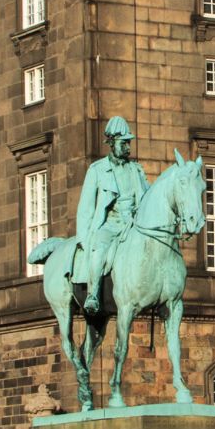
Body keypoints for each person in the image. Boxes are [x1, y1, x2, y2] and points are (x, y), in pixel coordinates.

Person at [75, 115, 149, 315]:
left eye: (129, 143)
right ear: (111, 143)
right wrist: (84, 237)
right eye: (123, 143)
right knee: (99, 249)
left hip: (133, 225)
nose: (128, 147)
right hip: (109, 225)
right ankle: (93, 294)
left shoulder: (136, 169)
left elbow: (148, 198)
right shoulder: (97, 170)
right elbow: (86, 207)